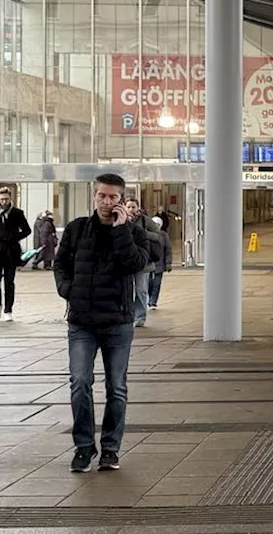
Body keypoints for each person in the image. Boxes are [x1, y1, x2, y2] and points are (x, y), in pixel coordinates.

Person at [54, 173, 147, 473]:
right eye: (102, 196)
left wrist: (121, 231)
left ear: (122, 200)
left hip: (118, 322)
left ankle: (110, 448)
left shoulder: (135, 232)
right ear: (94, 197)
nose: (107, 202)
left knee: (116, 387)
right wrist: (68, 290)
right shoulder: (77, 229)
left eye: (113, 198)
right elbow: (60, 264)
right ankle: (83, 447)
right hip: (82, 321)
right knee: (80, 383)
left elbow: (134, 264)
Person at [0, 188, 32, 322]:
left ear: (10, 199)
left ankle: (8, 310)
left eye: (6, 199)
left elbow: (27, 230)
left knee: (9, 282)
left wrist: (15, 237)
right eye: (2, 199)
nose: (4, 201)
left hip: (11, 251)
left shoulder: (17, 213)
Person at [123, 197, 164, 326]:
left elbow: (158, 235)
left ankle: (140, 317)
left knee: (141, 289)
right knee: (127, 290)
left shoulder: (145, 220)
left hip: (143, 261)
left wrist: (143, 234)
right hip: (126, 261)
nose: (130, 210)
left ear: (138, 208)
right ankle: (128, 315)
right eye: (128, 207)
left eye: (133, 207)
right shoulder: (120, 220)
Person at [148, 216, 172, 309]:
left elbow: (168, 250)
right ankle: (149, 299)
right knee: (149, 283)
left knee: (157, 284)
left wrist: (168, 263)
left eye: (158, 224)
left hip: (160, 264)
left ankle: (153, 302)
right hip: (149, 263)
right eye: (154, 224)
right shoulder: (147, 234)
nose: (156, 226)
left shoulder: (164, 235)